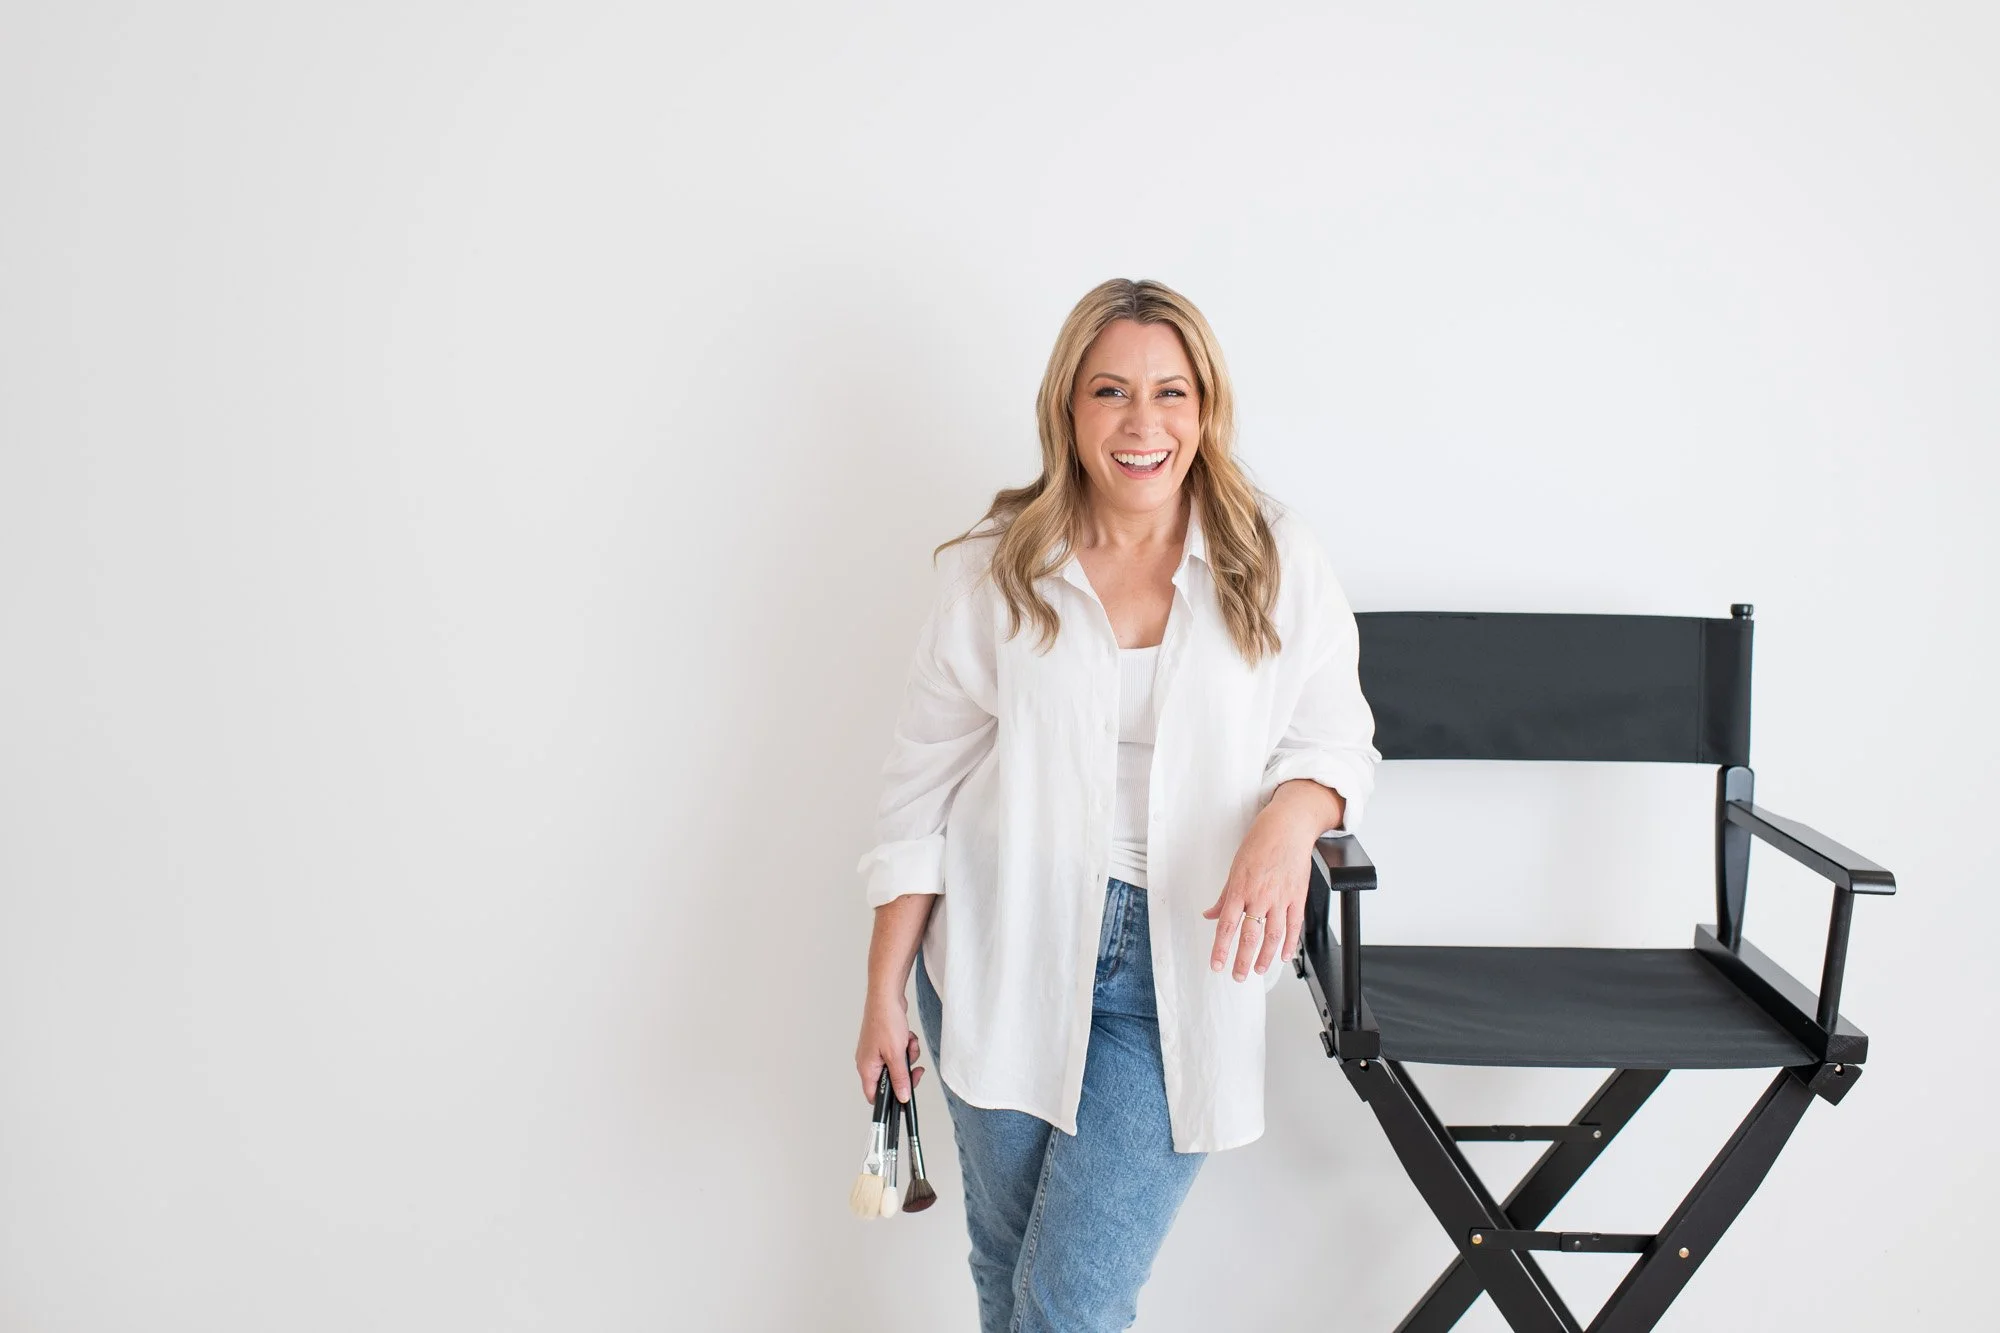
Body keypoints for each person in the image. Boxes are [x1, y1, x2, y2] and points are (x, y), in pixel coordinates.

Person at [853, 276, 1380, 1332]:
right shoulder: (993, 569)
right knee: (1006, 1270)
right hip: (998, 954)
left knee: (1071, 1299)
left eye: (1169, 392)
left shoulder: (1274, 562)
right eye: (1109, 392)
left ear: (1204, 408)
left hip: (1179, 964)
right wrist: (880, 991)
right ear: (1067, 410)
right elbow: (917, 796)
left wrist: (1286, 821)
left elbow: (1336, 739)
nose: (1142, 424)